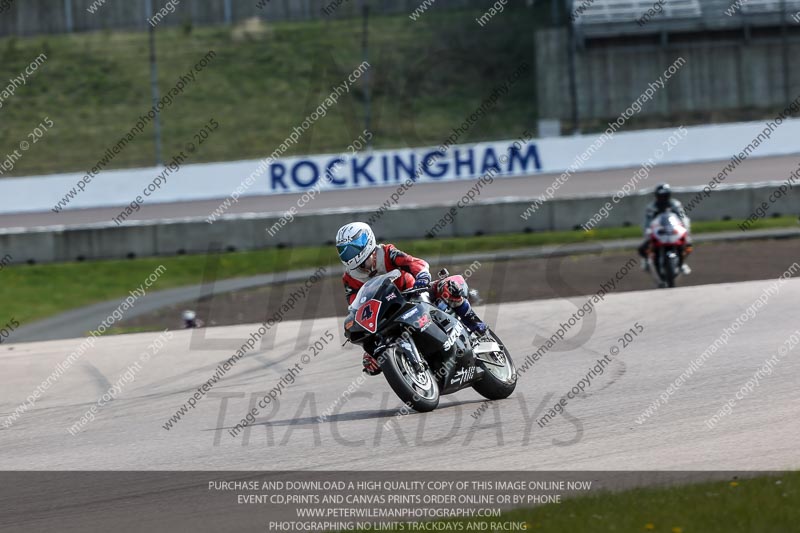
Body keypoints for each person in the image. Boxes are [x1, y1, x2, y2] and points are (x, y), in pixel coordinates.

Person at [336, 222, 487, 375]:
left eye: (351, 248)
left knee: (449, 287)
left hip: (414, 294)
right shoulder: (349, 278)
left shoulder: (387, 252)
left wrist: (422, 276)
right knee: (371, 358)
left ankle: (476, 326)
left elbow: (413, 263)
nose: (348, 254)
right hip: (386, 313)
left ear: (366, 241)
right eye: (343, 250)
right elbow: (356, 305)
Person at [638, 183, 692, 274]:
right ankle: (646, 261)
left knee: (688, 245)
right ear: (657, 196)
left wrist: (685, 228)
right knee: (643, 248)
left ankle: (682, 263)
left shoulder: (675, 204)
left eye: (665, 195)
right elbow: (647, 221)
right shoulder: (652, 207)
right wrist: (647, 231)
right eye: (661, 196)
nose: (663, 198)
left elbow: (683, 218)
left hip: (672, 229)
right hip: (658, 231)